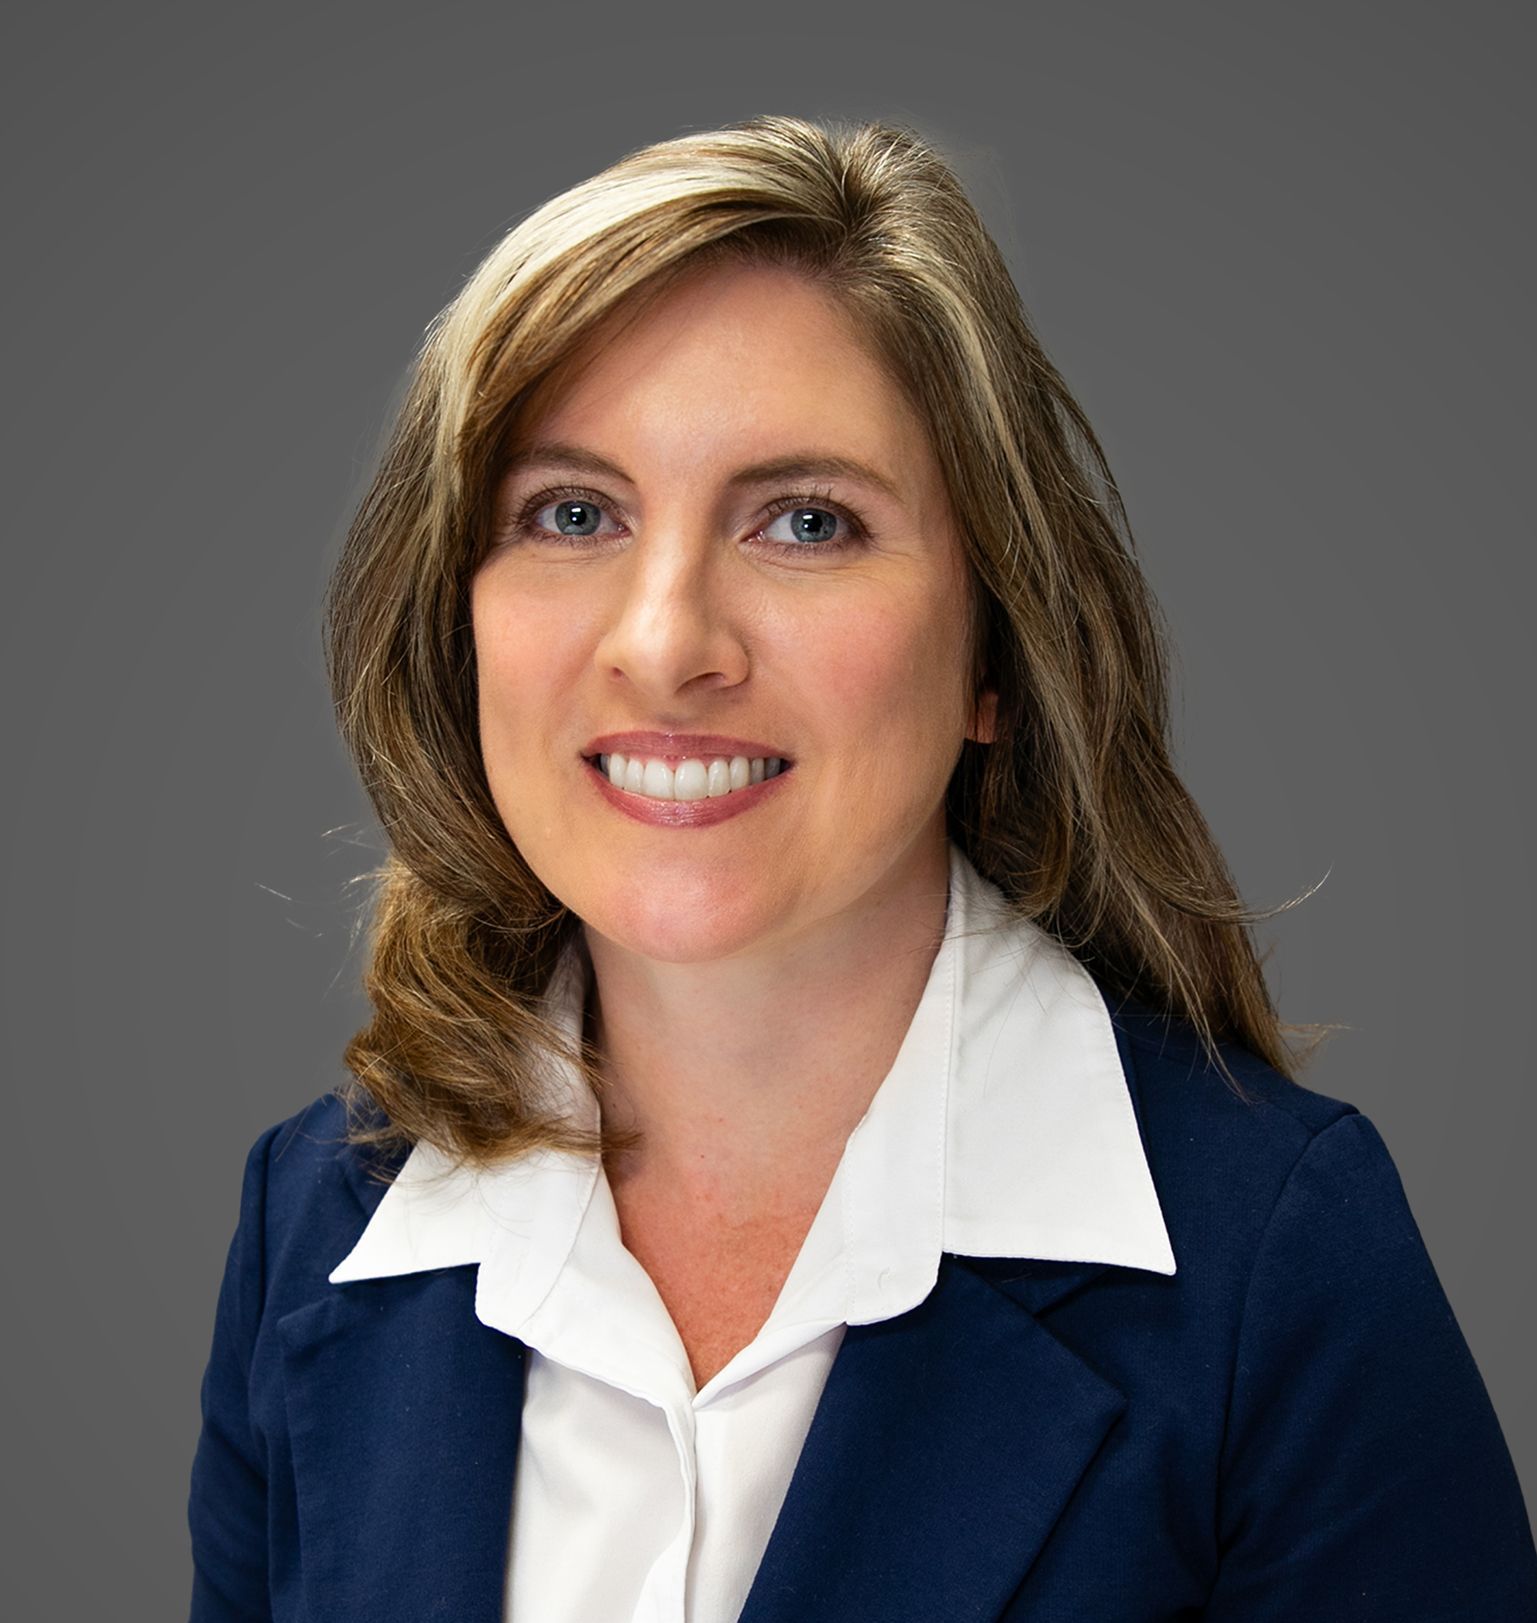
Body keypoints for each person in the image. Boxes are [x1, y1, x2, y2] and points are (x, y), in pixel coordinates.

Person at [187, 114, 1537, 1622]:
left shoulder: (1276, 1264)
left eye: (806, 523)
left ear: (996, 661)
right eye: (572, 514)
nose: (662, 643)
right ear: (459, 619)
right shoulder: (318, 1217)